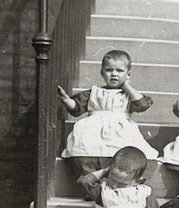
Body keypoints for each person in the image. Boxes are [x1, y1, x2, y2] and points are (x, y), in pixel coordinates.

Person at [58, 49, 158, 181]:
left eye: (120, 71)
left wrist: (126, 86)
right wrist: (67, 100)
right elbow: (76, 108)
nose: (114, 74)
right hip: (92, 130)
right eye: (109, 70)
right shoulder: (94, 92)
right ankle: (93, 184)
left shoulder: (129, 95)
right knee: (85, 149)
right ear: (102, 72)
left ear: (128, 74)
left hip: (121, 131)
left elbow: (142, 104)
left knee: (128, 153)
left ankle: (119, 182)